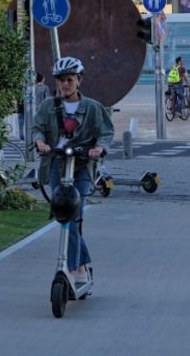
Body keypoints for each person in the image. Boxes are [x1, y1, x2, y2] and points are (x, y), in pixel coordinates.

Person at [32, 56, 112, 288]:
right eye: (61, 80)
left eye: (69, 80)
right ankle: (81, 265)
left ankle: (75, 268)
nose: (65, 84)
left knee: (74, 215)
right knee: (63, 215)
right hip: (56, 164)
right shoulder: (49, 106)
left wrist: (99, 148)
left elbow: (105, 132)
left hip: (82, 166)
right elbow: (37, 127)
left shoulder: (93, 108)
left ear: (79, 80)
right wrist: (40, 142)